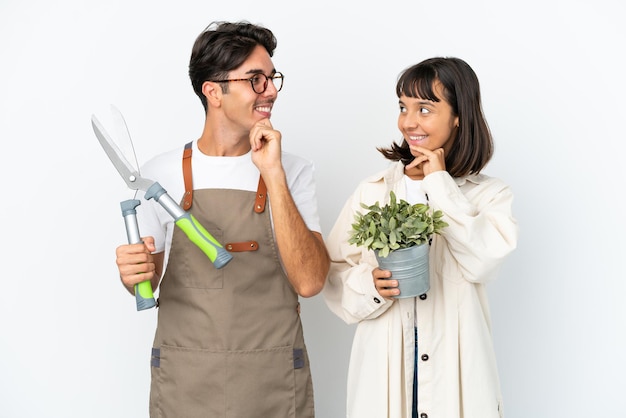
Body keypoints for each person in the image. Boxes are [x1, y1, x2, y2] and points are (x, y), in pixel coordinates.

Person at [114, 21, 329, 417]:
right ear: (213, 91)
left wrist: (273, 174)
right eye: (256, 80)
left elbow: (311, 281)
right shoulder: (159, 174)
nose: (272, 90)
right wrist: (132, 274)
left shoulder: (293, 170)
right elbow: (146, 284)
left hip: (272, 380)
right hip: (187, 380)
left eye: (272, 77)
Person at [323, 57, 518, 418]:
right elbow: (332, 276)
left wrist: (438, 183)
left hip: (456, 382)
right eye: (403, 107)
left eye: (425, 109)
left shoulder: (489, 195)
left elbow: (484, 262)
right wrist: (372, 286)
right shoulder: (372, 191)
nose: (408, 121)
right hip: (383, 380)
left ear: (459, 115)